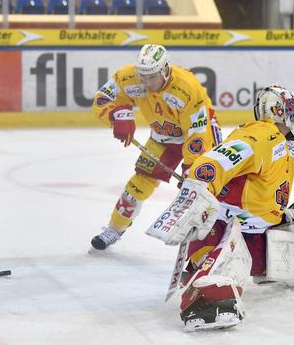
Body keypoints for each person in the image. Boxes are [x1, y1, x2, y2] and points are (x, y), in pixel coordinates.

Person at [146, 85, 294, 331]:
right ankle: (205, 294)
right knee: (230, 268)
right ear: (283, 111)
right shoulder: (262, 135)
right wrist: (200, 185)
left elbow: (263, 186)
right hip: (228, 226)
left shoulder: (282, 142)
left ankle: (201, 267)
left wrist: (279, 213)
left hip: (256, 231)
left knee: (282, 261)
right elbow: (214, 162)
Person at [90, 44, 222, 250]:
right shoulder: (128, 77)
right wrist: (115, 115)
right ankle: (114, 229)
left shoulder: (187, 87)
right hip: (162, 137)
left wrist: (191, 168)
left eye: (151, 76)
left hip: (200, 133)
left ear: (165, 69)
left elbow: (196, 132)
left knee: (210, 187)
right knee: (136, 187)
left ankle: (217, 235)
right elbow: (102, 98)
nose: (146, 82)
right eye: (142, 76)